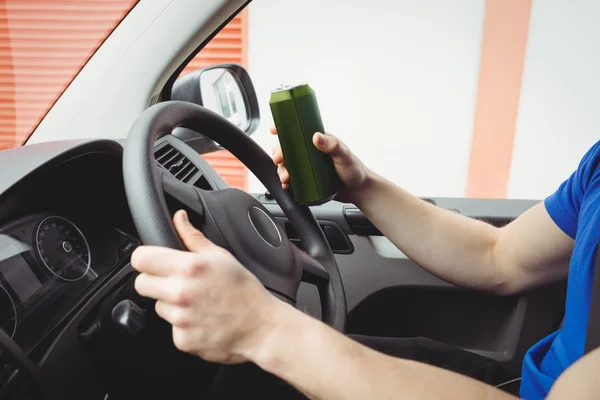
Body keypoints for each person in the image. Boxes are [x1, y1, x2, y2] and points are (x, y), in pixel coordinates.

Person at [131, 128, 600, 399]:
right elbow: (499, 258)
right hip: (529, 384)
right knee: (256, 381)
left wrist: (264, 328)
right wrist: (361, 188)